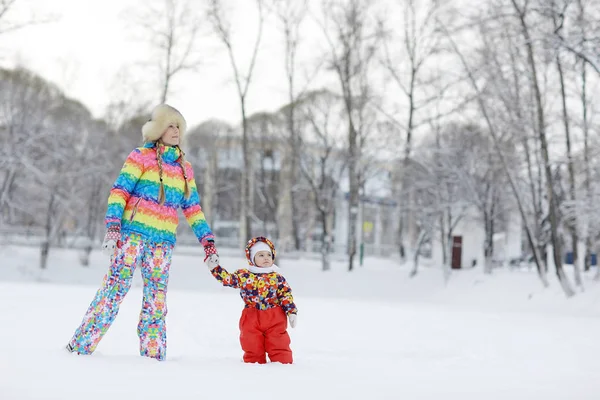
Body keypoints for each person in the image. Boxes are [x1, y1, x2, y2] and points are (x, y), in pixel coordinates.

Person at [66, 104, 219, 361]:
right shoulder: (140, 156)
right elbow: (120, 192)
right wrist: (113, 228)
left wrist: (208, 242)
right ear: (158, 129)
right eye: (170, 125)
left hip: (162, 244)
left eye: (178, 126)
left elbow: (192, 208)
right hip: (131, 237)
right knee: (113, 291)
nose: (175, 131)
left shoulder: (184, 168)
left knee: (156, 301)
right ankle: (80, 348)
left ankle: (152, 357)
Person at [206, 236, 298, 364]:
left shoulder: (278, 278)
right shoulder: (244, 275)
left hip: (274, 317)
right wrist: (214, 268)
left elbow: (285, 295)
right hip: (251, 316)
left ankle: (283, 366)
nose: (266, 258)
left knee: (279, 343)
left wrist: (291, 311)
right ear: (251, 258)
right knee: (251, 343)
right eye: (260, 255)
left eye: (268, 255)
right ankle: (253, 369)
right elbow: (228, 279)